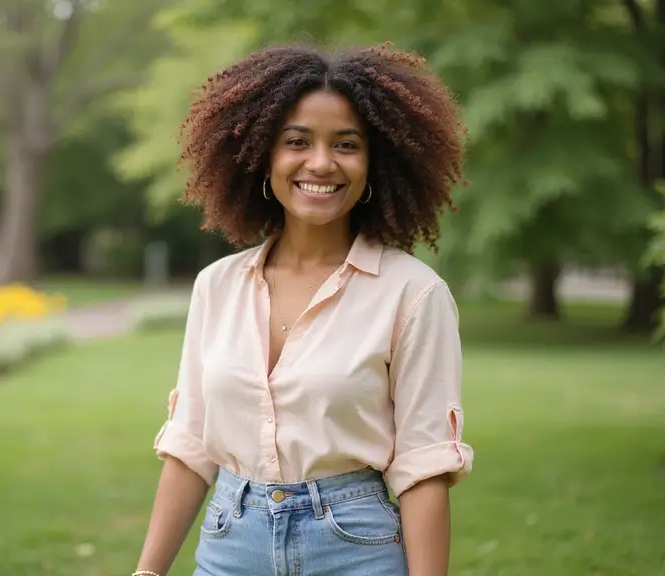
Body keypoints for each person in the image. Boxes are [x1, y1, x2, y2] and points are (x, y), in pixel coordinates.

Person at [133, 43, 474, 576]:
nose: (320, 162)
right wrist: (147, 572)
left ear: (375, 163)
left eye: (346, 144)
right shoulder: (217, 286)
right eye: (297, 141)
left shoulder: (413, 293)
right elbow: (191, 445)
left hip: (354, 549)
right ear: (262, 156)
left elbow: (423, 467)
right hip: (229, 547)